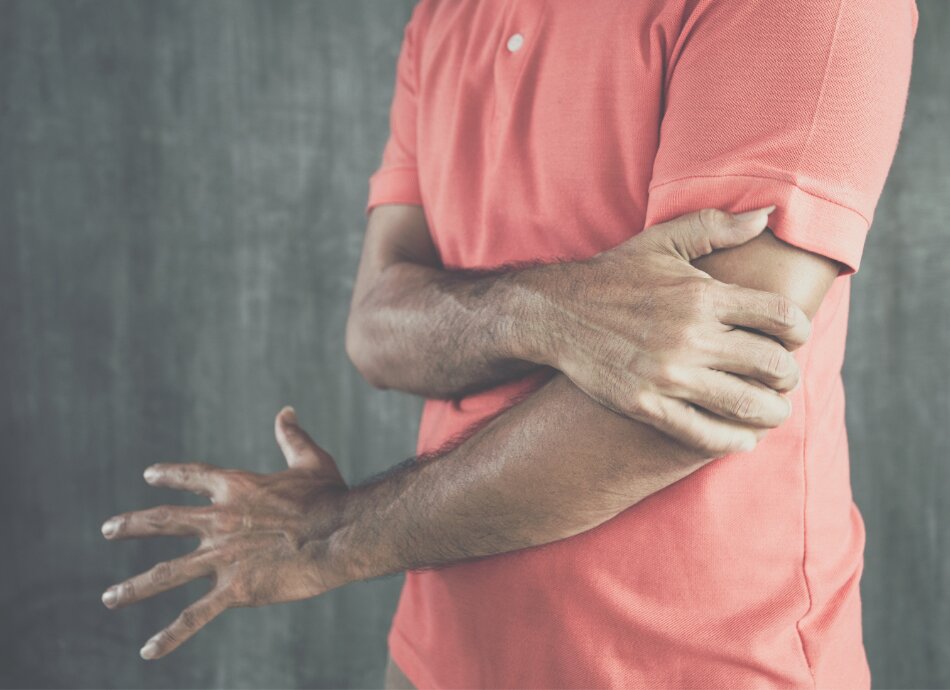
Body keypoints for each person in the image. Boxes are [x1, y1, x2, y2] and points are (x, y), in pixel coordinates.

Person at [100, 1, 917, 687]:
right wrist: (548, 309)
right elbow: (376, 327)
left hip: (706, 666)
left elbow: (704, 388)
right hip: (437, 659)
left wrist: (328, 538)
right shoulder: (447, 13)